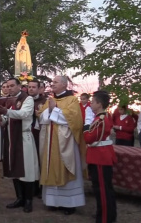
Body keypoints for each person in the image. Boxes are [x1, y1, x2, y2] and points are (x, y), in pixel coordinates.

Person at [37, 76, 87, 215]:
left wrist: (55, 110)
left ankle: (69, 204)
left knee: (66, 168)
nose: (52, 84)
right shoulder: (50, 100)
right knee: (50, 167)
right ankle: (52, 202)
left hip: (65, 142)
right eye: (52, 82)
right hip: (50, 141)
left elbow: (75, 120)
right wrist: (47, 110)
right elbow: (41, 117)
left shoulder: (72, 100)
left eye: (55, 82)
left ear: (64, 85)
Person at [0, 78, 39, 213]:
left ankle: (28, 200)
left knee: (26, 170)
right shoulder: (7, 101)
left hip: (23, 137)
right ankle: (19, 198)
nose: (9, 88)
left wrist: (6, 112)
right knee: (14, 169)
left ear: (19, 86)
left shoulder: (27, 99)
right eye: (7, 86)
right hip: (11, 138)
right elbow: (4, 122)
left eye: (12, 85)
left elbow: (24, 114)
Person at [84, 91, 117, 223]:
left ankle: (104, 219)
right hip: (100, 155)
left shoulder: (100, 119)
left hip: (100, 157)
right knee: (104, 189)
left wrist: (86, 126)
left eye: (92, 102)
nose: (90, 104)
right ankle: (106, 215)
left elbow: (88, 138)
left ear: (99, 104)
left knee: (102, 190)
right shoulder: (102, 117)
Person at [28, 79, 46, 196]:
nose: (31, 89)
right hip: (28, 133)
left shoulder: (45, 101)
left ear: (39, 89)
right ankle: (32, 187)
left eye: (34, 87)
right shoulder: (25, 100)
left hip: (39, 133)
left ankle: (41, 187)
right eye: (29, 87)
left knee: (40, 159)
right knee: (30, 160)